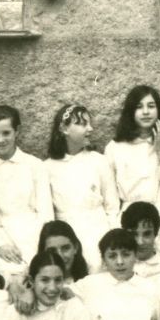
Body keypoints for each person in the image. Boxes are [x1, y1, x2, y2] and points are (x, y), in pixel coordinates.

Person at [105, 85, 160, 260]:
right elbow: (111, 199)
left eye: (151, 106)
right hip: (129, 221)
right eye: (139, 107)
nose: (146, 112)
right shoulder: (115, 148)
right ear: (130, 112)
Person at [0, 105, 54, 274]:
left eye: (6, 133)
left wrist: (42, 246)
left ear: (17, 131)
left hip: (34, 236)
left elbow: (46, 213)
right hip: (3, 239)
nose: (0, 140)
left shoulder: (35, 166)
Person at [44, 104, 119, 272]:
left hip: (99, 231)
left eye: (90, 123)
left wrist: (113, 241)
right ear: (64, 128)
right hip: (68, 237)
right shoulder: (47, 168)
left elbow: (112, 206)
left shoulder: (99, 161)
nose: (90, 129)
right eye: (83, 124)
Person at [121, 201, 160, 284]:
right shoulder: (118, 267)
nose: (140, 242)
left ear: (156, 233)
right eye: (134, 234)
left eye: (147, 234)